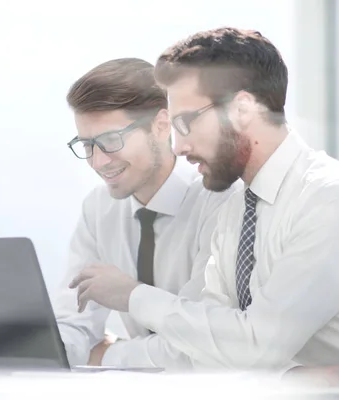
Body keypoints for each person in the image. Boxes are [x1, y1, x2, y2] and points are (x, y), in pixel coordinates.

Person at [69, 28, 339, 398]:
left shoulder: (334, 198)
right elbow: (206, 342)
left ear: (243, 109)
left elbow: (257, 343)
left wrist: (132, 297)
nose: (179, 145)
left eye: (186, 123)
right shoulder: (237, 206)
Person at [53, 57, 238, 367]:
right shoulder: (99, 208)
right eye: (87, 145)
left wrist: (105, 356)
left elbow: (202, 345)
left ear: (161, 126)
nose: (98, 162)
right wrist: (49, 349)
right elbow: (74, 322)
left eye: (111, 141)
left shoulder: (219, 202)